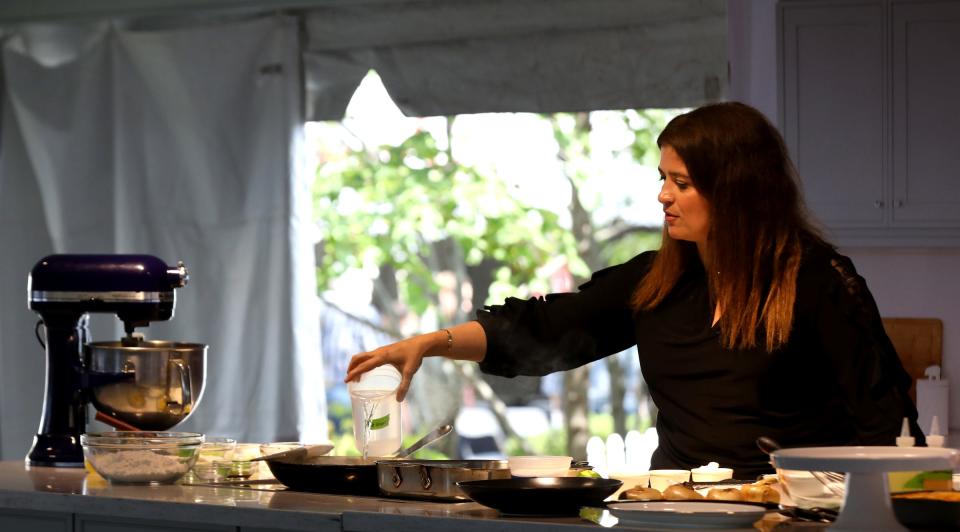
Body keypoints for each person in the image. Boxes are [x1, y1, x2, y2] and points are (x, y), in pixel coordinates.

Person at [345, 101, 923, 479]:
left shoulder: (817, 279)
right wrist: (432, 341)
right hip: (675, 508)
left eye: (682, 182)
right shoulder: (658, 279)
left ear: (737, 190)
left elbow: (887, 425)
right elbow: (552, 328)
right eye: (662, 178)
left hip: (791, 514)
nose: (663, 196)